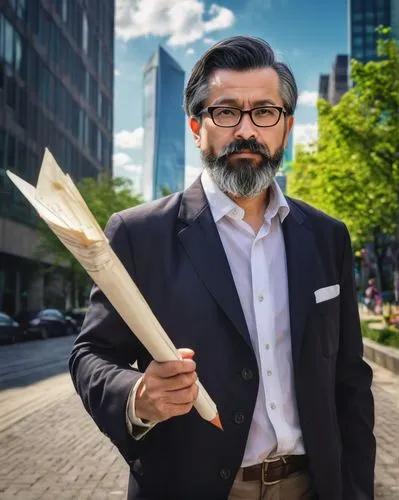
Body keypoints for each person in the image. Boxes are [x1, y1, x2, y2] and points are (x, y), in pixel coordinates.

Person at [69, 36, 376, 500]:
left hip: (313, 486)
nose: (247, 130)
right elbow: (90, 353)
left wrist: (357, 488)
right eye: (227, 111)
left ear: (286, 127)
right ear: (196, 126)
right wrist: (138, 396)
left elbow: (350, 379)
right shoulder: (137, 234)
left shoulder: (327, 235)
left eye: (265, 112)